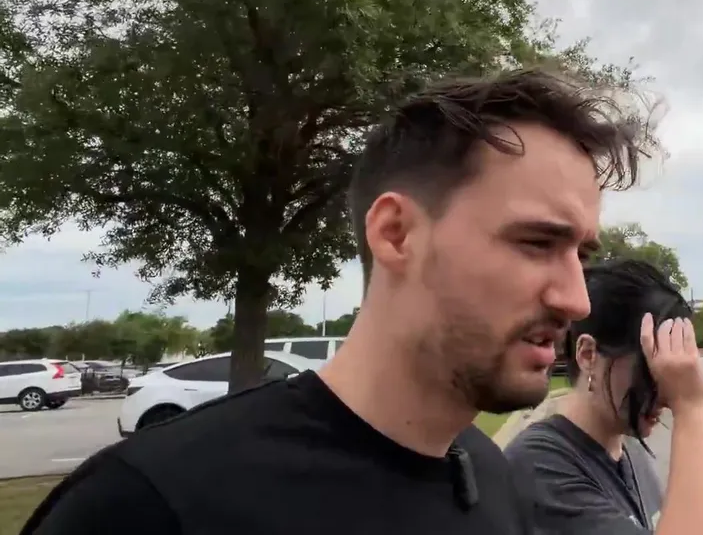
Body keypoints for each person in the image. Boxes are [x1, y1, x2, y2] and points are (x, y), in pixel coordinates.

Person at [22, 68, 649, 534]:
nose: (576, 299)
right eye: (537, 242)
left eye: (582, 254)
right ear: (396, 235)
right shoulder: (150, 505)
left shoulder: (490, 476)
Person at [505, 259, 703, 535]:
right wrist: (693, 408)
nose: (667, 394)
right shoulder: (540, 467)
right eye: (651, 370)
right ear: (588, 355)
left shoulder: (627, 449)